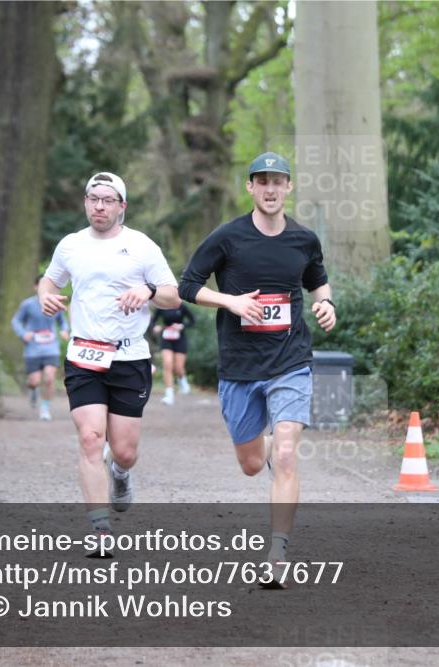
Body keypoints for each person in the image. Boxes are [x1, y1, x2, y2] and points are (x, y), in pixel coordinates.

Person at [178, 152, 336, 588]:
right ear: (249, 187)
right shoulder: (227, 237)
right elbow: (187, 286)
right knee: (252, 464)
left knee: (285, 452)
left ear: (288, 187)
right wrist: (231, 301)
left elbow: (317, 280)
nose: (270, 189)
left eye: (278, 181)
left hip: (290, 361)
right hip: (240, 367)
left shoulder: (303, 239)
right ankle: (261, 446)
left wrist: (326, 304)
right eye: (262, 181)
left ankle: (277, 553)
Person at [39, 171, 181, 551]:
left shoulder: (142, 246)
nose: (99, 206)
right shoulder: (70, 245)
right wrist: (45, 297)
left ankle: (120, 472)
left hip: (129, 356)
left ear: (122, 206)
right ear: (85, 202)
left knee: (124, 450)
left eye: (107, 200)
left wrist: (148, 290)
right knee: (89, 438)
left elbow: (173, 296)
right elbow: (49, 281)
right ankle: (101, 530)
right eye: (92, 198)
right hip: (84, 355)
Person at [11, 276, 70, 421]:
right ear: (36, 287)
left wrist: (64, 330)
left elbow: (63, 322)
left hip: (51, 348)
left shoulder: (55, 303)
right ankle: (33, 390)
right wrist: (23, 333)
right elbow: (16, 321)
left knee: (49, 378)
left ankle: (45, 408)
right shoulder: (27, 305)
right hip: (33, 349)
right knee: (34, 381)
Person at [151, 303, 196, 405]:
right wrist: (156, 327)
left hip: (180, 339)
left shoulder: (182, 306)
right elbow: (152, 322)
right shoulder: (161, 306)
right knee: (168, 364)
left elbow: (193, 321)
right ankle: (169, 395)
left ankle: (183, 381)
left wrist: (182, 326)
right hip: (166, 338)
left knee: (178, 368)